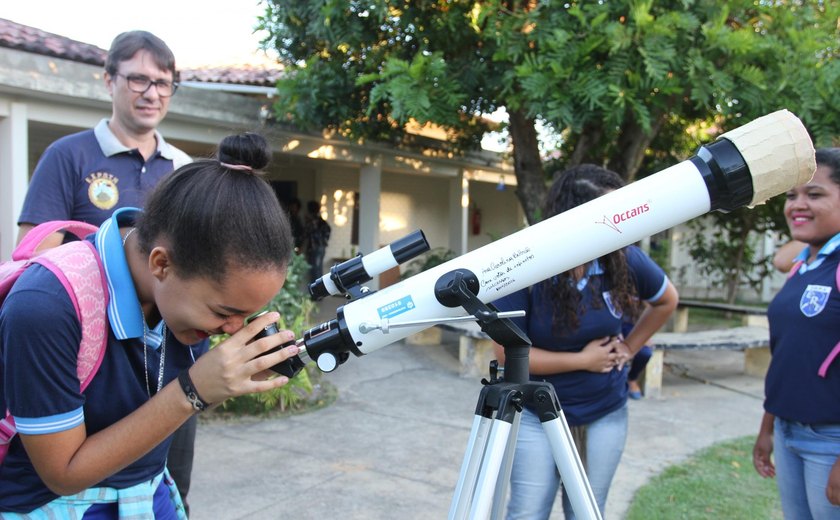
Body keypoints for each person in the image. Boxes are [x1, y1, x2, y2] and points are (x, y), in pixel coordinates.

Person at [0, 132, 299, 517]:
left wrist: (225, 380)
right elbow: (63, 473)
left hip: (149, 495)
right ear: (161, 264)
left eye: (247, 314)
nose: (232, 328)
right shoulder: (46, 307)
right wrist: (193, 391)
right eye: (225, 312)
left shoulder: (182, 301)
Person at [14, 30, 202, 511]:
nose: (151, 92)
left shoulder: (184, 170)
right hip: (89, 363)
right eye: (138, 78)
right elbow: (37, 250)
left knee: (165, 476)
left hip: (165, 356)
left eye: (164, 82)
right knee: (75, 483)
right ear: (109, 80)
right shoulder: (69, 155)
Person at [493, 164, 679, 520]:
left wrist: (630, 347)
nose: (620, 222)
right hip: (535, 411)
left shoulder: (621, 259)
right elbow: (505, 355)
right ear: (572, 216)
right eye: (608, 213)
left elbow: (667, 300)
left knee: (587, 511)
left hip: (604, 410)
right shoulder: (528, 264)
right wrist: (583, 360)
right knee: (528, 511)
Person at [753, 147, 840, 518]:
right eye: (791, 196)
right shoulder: (803, 264)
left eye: (814, 194)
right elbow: (788, 354)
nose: (796, 205)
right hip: (788, 432)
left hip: (831, 441)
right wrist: (768, 427)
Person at [303, 199, 331, 284]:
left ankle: (317, 292)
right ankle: (319, 291)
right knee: (318, 268)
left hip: (314, 247)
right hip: (321, 247)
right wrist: (324, 240)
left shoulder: (312, 221)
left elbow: (306, 234)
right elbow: (328, 230)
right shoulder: (321, 221)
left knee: (314, 269)